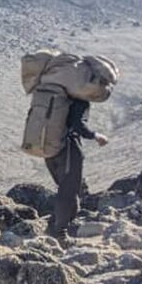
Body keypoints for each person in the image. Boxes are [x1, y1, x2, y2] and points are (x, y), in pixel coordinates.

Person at [46, 99, 109, 241]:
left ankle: (58, 227)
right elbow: (78, 124)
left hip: (48, 146)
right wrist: (95, 136)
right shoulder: (79, 99)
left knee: (66, 187)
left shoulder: (57, 93)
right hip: (68, 148)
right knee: (68, 189)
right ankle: (59, 233)